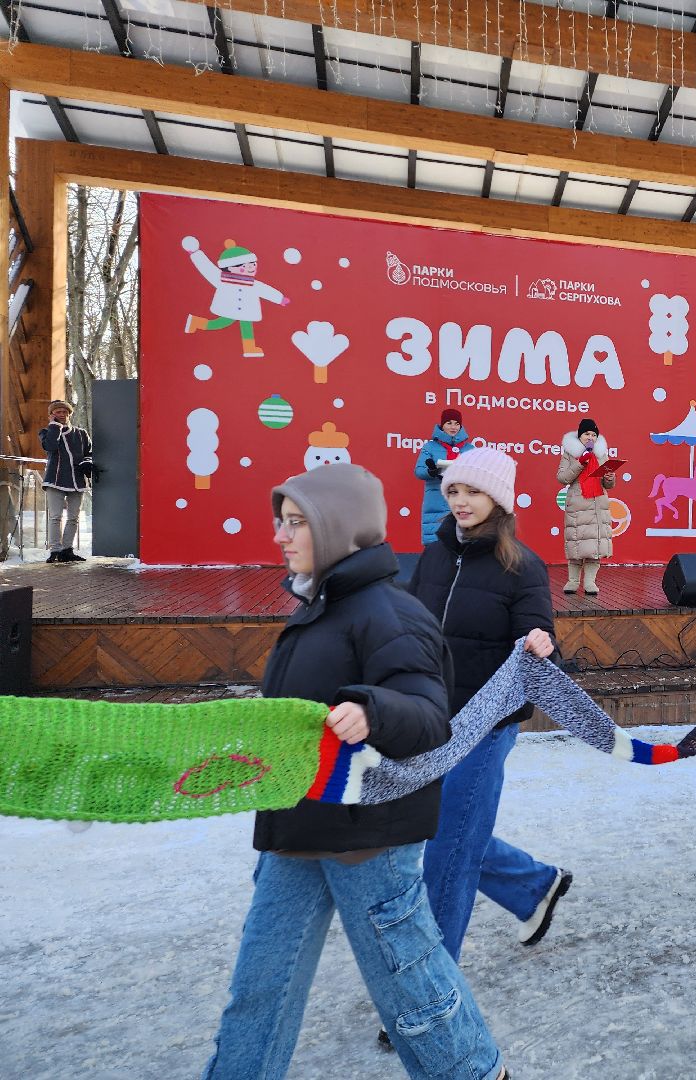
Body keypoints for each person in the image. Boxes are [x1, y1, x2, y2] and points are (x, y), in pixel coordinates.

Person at [204, 463, 509, 1080]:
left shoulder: (389, 614)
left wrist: (373, 710)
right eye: (281, 522)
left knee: (411, 986)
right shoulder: (318, 608)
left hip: (368, 837)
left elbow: (429, 713)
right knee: (261, 986)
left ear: (337, 527)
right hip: (298, 827)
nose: (281, 536)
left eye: (297, 523)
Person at [411, 447, 573, 974]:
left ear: (498, 499)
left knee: (449, 850)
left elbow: (542, 642)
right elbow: (407, 627)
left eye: (473, 491)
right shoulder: (433, 557)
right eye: (454, 491)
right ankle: (534, 885)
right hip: (430, 719)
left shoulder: (521, 566)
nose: (460, 501)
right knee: (447, 831)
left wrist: (541, 647)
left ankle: (432, 984)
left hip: (484, 726)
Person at [557, 417, 615, 595]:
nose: (590, 437)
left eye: (593, 435)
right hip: (577, 504)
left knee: (594, 547)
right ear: (579, 436)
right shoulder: (570, 454)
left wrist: (610, 478)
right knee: (576, 545)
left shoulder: (601, 454)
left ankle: (590, 583)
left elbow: (609, 485)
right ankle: (573, 581)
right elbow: (562, 478)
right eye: (586, 434)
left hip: (598, 504)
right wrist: (580, 462)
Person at [39, 399, 93, 564]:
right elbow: (50, 447)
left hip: (77, 480)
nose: (62, 414)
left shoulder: (81, 433)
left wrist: (87, 462)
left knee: (73, 517)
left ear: (69, 414)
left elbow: (89, 452)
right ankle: (55, 550)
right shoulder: (46, 432)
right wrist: (55, 426)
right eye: (58, 412)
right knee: (55, 517)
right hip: (54, 480)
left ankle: (67, 550)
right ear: (52, 415)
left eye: (65, 412)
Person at [414, 408, 472, 546]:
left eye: (456, 424)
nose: (453, 427)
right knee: (436, 545)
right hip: (437, 499)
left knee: (463, 544)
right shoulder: (430, 447)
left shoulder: (469, 448)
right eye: (449, 423)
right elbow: (419, 471)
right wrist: (431, 472)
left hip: (462, 498)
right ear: (442, 425)